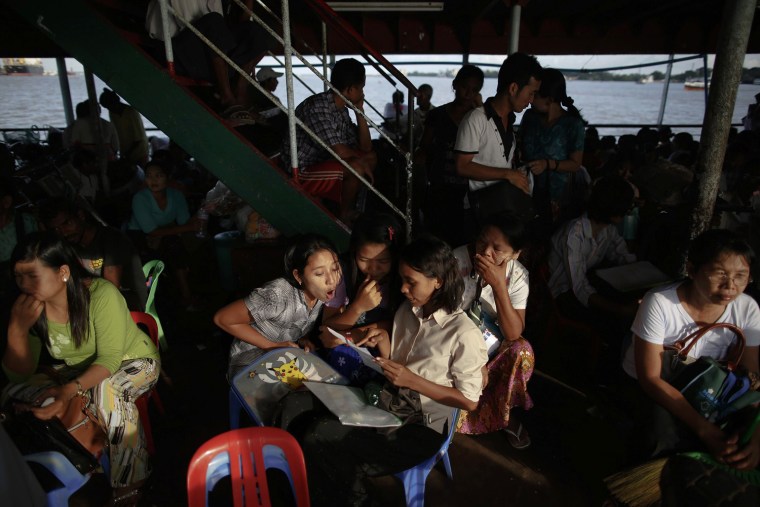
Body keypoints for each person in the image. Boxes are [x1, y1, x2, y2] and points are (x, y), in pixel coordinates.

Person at [299, 236, 487, 507]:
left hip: (423, 426)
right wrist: (383, 344)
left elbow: (469, 400)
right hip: (390, 401)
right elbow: (397, 364)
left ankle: (356, 499)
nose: (403, 288)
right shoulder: (408, 311)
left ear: (439, 281)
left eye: (412, 282)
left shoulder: (463, 333)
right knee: (301, 410)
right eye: (402, 279)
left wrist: (413, 381)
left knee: (323, 437)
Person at [2, 233, 160, 504]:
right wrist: (17, 330)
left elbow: (110, 360)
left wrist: (67, 391)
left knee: (108, 390)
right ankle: (75, 459)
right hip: (76, 371)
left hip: (134, 361)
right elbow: (20, 373)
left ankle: (132, 481)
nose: (24, 285)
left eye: (32, 276)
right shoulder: (30, 309)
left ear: (63, 272)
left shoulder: (100, 294)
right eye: (18, 277)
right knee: (13, 392)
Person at [621, 229, 760, 466]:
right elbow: (651, 379)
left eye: (740, 276)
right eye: (720, 274)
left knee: (740, 438)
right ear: (692, 270)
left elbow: (750, 376)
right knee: (661, 437)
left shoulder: (747, 308)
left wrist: (755, 436)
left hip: (708, 386)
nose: (730, 286)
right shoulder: (660, 303)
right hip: (658, 385)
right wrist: (704, 430)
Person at [453, 213, 534, 449]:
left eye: (497, 249)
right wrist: (475, 360)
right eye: (482, 242)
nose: (485, 252)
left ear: (515, 254)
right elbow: (443, 321)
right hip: (454, 345)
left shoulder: (518, 277)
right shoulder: (454, 261)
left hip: (491, 349)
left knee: (522, 350)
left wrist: (499, 285)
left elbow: (512, 332)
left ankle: (502, 413)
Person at [214, 234, 342, 378]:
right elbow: (223, 318)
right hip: (250, 363)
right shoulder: (277, 295)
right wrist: (271, 346)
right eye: (319, 273)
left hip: (282, 359)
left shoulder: (320, 293)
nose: (331, 280)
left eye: (335, 268)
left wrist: (302, 338)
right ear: (299, 277)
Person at [280, 58, 377, 224]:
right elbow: (339, 151)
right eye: (361, 89)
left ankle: (345, 204)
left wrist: (359, 111)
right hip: (302, 169)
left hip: (322, 161)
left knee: (371, 157)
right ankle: (344, 214)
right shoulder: (318, 107)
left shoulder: (341, 109)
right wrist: (359, 161)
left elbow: (366, 147)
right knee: (355, 168)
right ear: (350, 89)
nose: (363, 94)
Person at [145, 0, 274, 123]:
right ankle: (226, 97)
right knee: (213, 21)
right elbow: (187, 22)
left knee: (257, 31)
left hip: (203, 52)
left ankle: (240, 92)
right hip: (174, 51)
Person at [455, 52, 542, 224]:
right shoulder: (476, 119)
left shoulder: (509, 120)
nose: (531, 100)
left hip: (502, 207)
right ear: (513, 88)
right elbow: (462, 167)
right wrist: (508, 174)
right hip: (479, 209)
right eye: (531, 93)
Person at [321, 212, 403, 383]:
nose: (373, 268)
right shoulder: (342, 272)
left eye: (383, 261)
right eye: (364, 259)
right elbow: (327, 329)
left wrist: (355, 335)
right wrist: (358, 307)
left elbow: (400, 323)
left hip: (383, 345)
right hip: (347, 346)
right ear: (354, 253)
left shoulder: (403, 278)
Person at [39, 197, 147, 311]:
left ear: (81, 216)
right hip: (97, 301)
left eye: (67, 223)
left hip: (126, 303)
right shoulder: (70, 245)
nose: (63, 232)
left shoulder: (111, 239)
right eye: (56, 230)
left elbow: (110, 289)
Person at [417, 65, 484, 247]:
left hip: (467, 187)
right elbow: (424, 145)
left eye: (474, 90)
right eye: (464, 87)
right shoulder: (437, 115)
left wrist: (482, 108)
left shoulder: (479, 117)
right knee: (436, 233)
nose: (468, 93)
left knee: (462, 236)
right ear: (455, 85)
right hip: (439, 183)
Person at [520, 68, 587, 226]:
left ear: (549, 99)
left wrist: (547, 164)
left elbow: (575, 164)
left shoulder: (572, 125)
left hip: (557, 198)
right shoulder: (530, 117)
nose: (530, 100)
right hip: (526, 191)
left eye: (534, 95)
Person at [127, 160, 198, 307]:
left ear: (168, 177)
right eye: (149, 176)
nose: (153, 180)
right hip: (139, 235)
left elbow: (184, 221)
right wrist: (186, 228)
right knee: (170, 246)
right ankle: (181, 295)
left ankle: (185, 294)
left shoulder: (176, 195)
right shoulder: (140, 198)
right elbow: (150, 231)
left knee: (179, 245)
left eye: (158, 175)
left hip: (167, 233)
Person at [99, 88, 149, 168]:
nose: (109, 109)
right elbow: (115, 132)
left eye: (109, 107)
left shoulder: (131, 112)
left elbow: (139, 139)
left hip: (139, 152)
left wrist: (126, 155)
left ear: (115, 103)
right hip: (125, 151)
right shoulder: (112, 113)